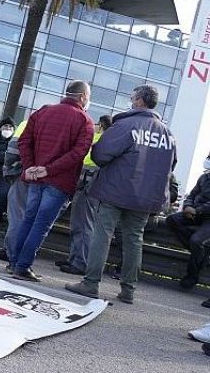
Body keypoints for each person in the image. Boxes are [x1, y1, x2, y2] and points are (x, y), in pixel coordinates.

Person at [66, 85, 176, 304]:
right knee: (134, 239)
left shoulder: (126, 125)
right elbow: (171, 165)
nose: (130, 101)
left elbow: (100, 155)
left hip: (115, 191)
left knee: (102, 234)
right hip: (145, 198)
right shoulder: (167, 134)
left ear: (139, 101)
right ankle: (128, 290)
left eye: (132, 97)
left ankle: (90, 283)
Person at [11, 81, 94, 282]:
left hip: (35, 178)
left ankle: (14, 262)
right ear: (83, 96)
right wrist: (49, 170)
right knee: (41, 224)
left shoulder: (43, 111)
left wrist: (30, 166)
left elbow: (24, 141)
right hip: (59, 181)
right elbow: (78, 153)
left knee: (28, 219)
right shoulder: (85, 121)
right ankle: (23, 266)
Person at [57, 115, 113, 275]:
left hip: (87, 184)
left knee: (82, 224)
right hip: (90, 184)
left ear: (101, 125)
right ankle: (74, 258)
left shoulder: (99, 139)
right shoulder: (107, 141)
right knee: (80, 224)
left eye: (97, 124)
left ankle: (80, 263)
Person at [166, 153, 210, 292]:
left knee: (196, 241)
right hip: (195, 212)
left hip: (205, 216)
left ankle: (192, 276)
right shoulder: (204, 177)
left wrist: (197, 210)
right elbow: (191, 195)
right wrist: (188, 207)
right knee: (172, 220)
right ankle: (201, 254)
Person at [0, 119, 28, 262]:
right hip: (46, 178)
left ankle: (10, 251)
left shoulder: (29, 122)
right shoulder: (71, 123)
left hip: (24, 173)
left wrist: (9, 171)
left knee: (17, 215)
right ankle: (22, 254)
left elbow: (11, 152)